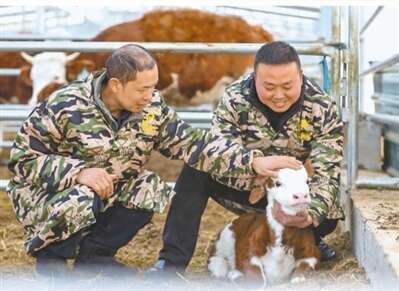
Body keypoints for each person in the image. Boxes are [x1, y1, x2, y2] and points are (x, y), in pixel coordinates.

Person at [6, 44, 284, 277]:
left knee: (151, 187)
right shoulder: (64, 104)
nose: (150, 96)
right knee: (81, 195)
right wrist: (78, 172)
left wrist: (252, 162)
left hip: (106, 191)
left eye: (153, 88)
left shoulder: (151, 108)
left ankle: (94, 258)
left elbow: (193, 144)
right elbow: (21, 160)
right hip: (48, 197)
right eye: (142, 89)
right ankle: (51, 262)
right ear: (116, 85)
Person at [150, 41, 345, 274]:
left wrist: (311, 213)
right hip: (248, 187)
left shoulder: (322, 106)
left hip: (294, 195)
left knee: (329, 208)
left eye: (287, 85)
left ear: (301, 77)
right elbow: (219, 151)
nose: (279, 95)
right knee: (196, 167)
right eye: (269, 87)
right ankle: (171, 262)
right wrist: (254, 168)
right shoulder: (234, 98)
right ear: (254, 78)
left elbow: (328, 170)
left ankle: (307, 237)